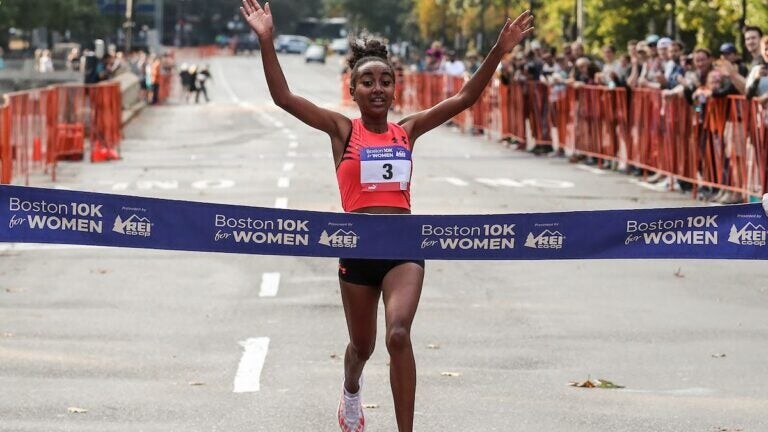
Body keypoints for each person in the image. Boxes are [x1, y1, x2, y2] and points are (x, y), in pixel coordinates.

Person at [239, 1, 534, 431]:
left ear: (395, 90)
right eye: (367, 82)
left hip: (402, 247)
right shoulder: (343, 131)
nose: (377, 89)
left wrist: (499, 50)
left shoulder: (407, 131)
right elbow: (283, 98)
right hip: (358, 250)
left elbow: (464, 97)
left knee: (398, 335)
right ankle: (351, 389)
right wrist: (266, 39)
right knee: (363, 347)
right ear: (353, 89)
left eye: (385, 81)